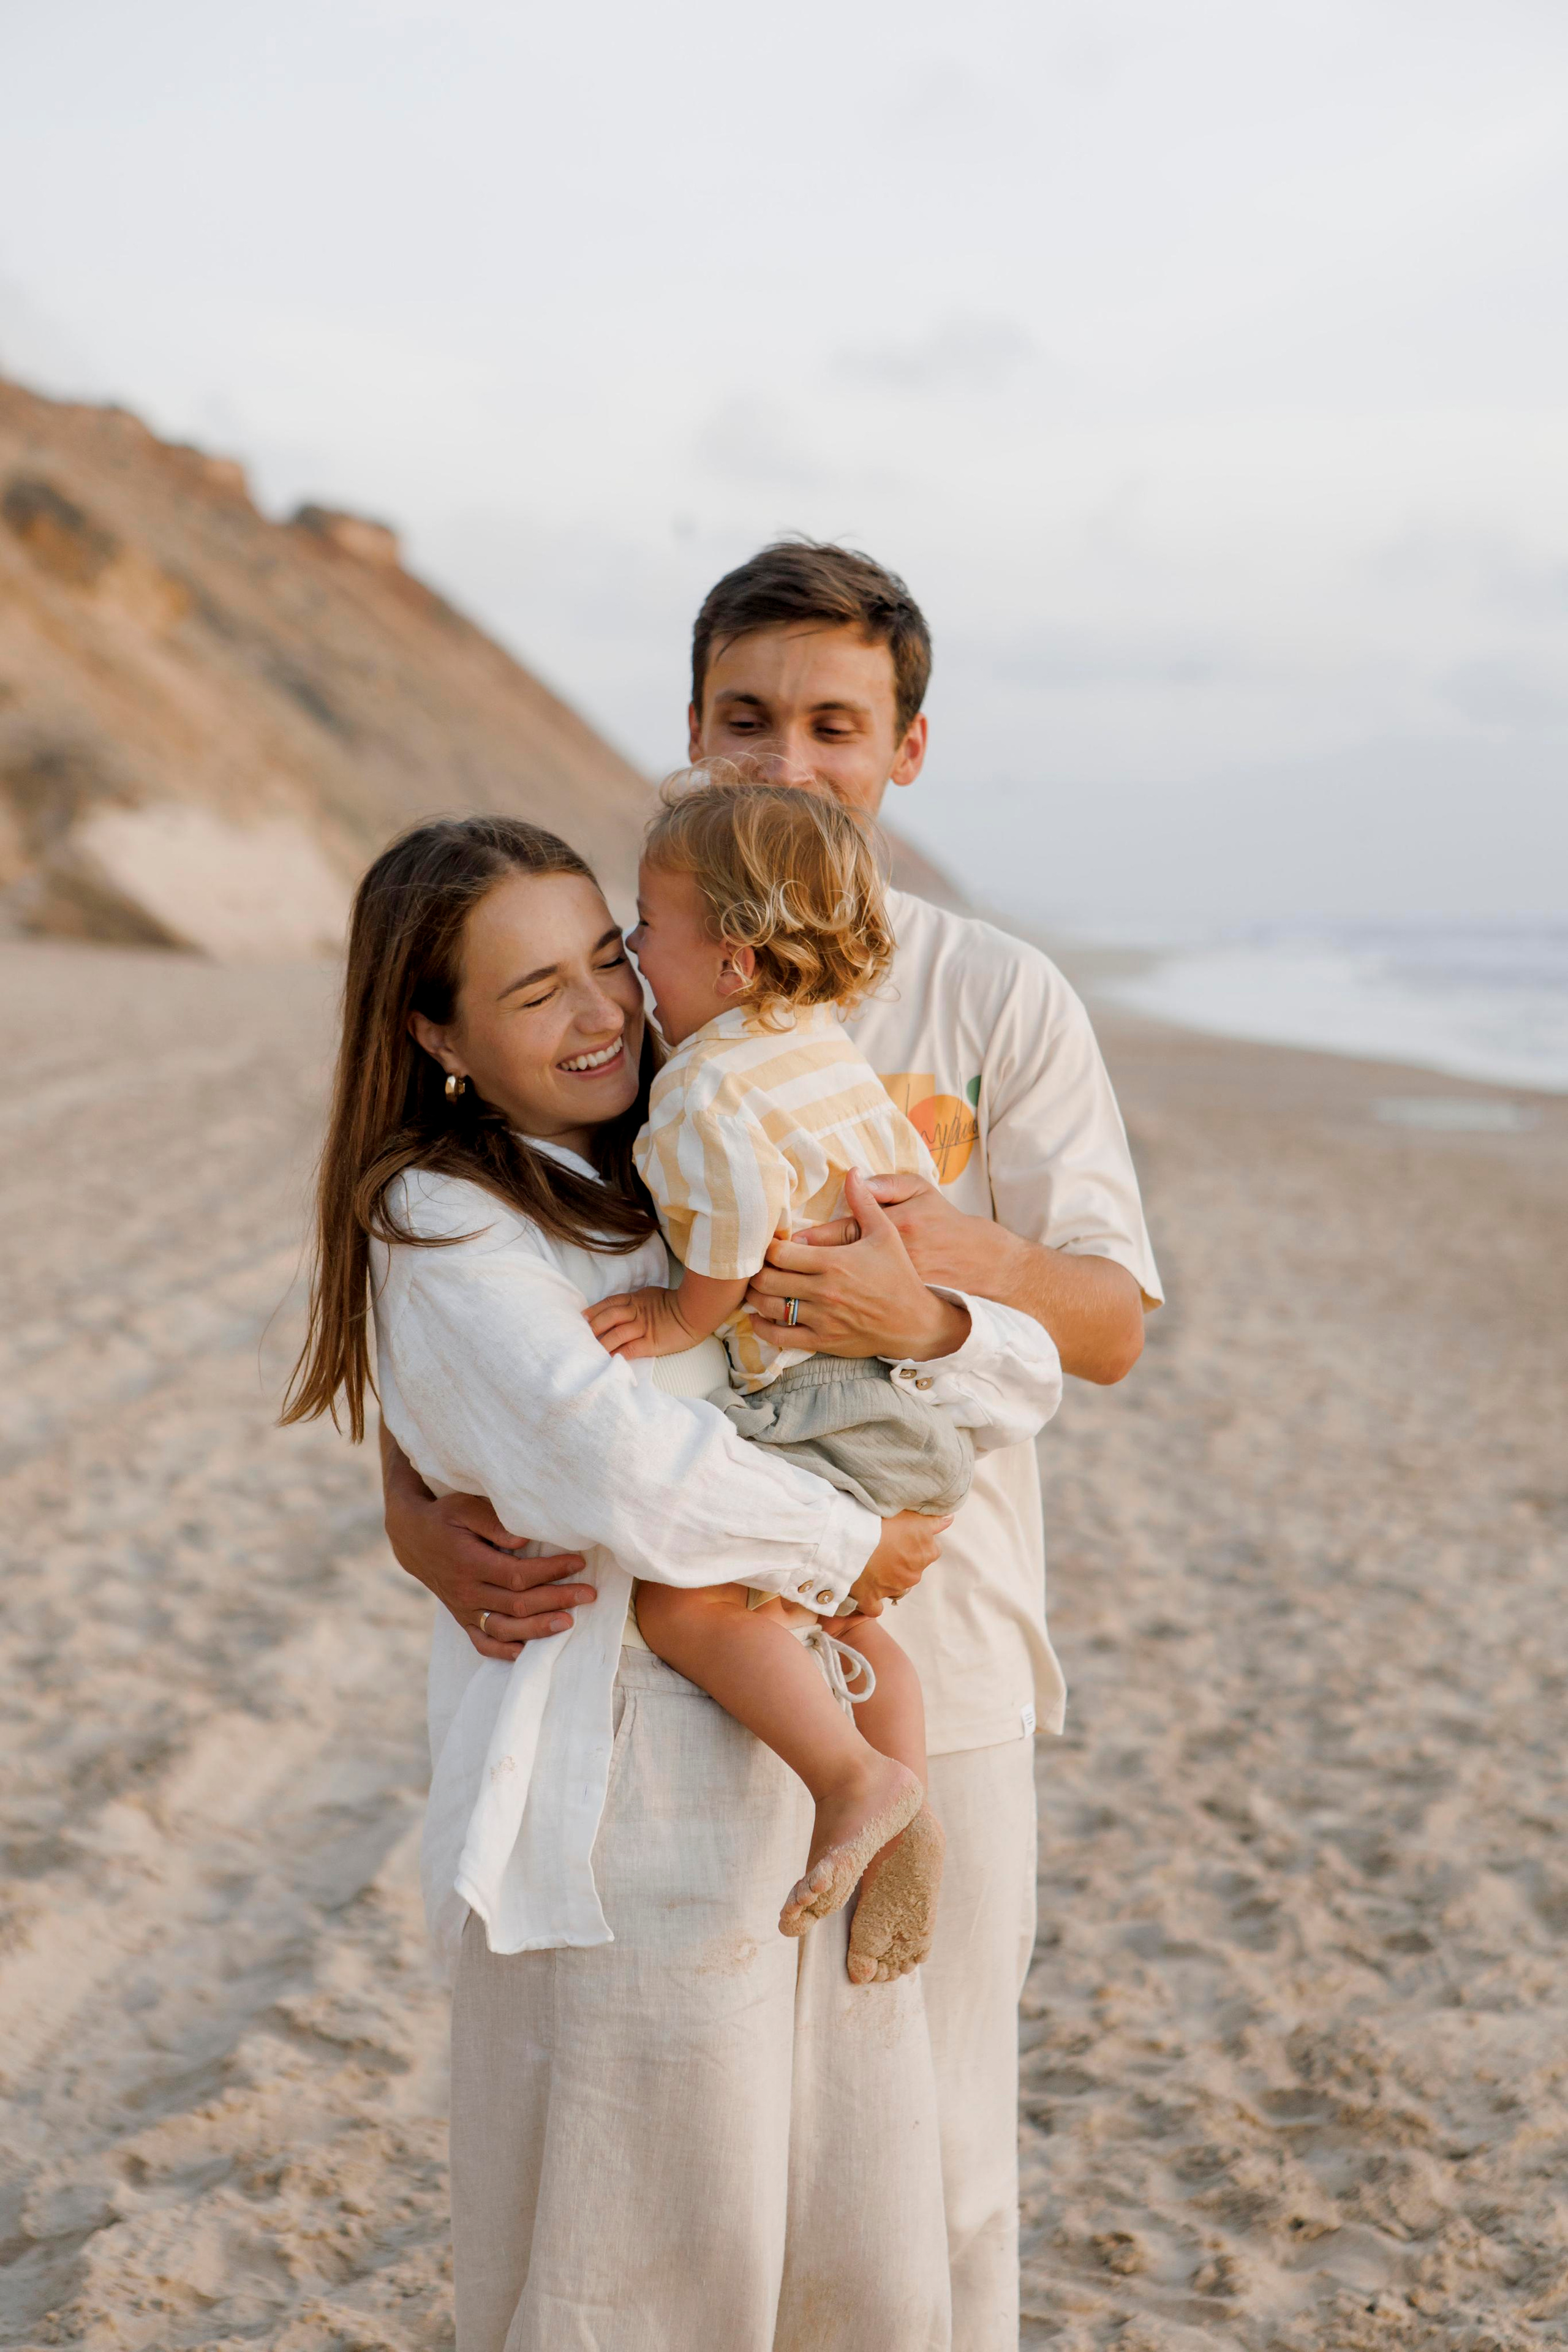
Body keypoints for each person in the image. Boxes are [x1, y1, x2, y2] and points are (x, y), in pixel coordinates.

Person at [382, 543, 1163, 2350]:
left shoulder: (994, 995)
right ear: (692, 729)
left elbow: (1113, 1325)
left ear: (907, 750)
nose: (787, 761)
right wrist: (414, 1511)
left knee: (937, 2148)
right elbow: (530, 1295)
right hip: (694, 1661)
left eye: (835, 723)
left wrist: (926, 1293)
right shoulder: (647, 985)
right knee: (726, 2166)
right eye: (749, 718)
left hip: (937, 1643)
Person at [289, 812, 1065, 2350]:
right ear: (432, 1032)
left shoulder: (684, 1146)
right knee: (649, 2255)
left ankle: (875, 1787)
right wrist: (857, 1545)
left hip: (803, 1787)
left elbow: (1023, 1366)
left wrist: (919, 1323)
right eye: (534, 993)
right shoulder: (442, 1215)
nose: (600, 1012)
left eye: (604, 959)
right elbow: (617, 1471)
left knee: (839, 2247)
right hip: (630, 1814)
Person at [587, 771, 1061, 1982]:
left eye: (645, 924)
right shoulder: (817, 1046)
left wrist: (672, 1307)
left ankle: (853, 1780)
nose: (633, 951)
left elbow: (733, 1233)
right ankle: (905, 1805)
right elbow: (902, 1182)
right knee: (855, 1623)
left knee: (682, 1604)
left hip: (818, 1402)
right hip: (899, 1407)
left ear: (736, 959)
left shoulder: (696, 1089)